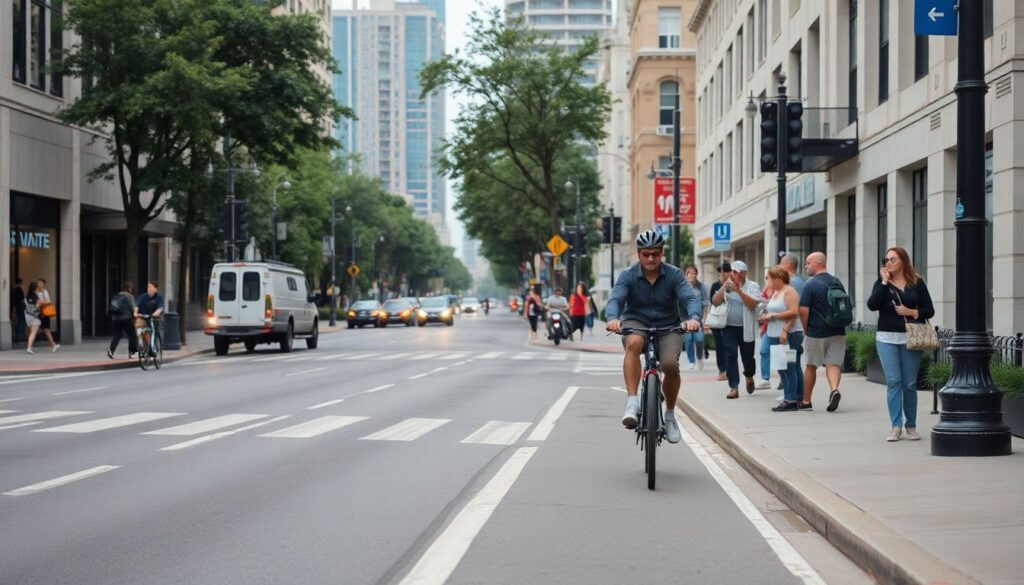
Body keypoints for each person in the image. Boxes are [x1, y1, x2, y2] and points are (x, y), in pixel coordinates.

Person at [605, 228, 702, 444]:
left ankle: (669, 415)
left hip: (668, 326)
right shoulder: (628, 276)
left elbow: (690, 298)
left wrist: (695, 317)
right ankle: (632, 402)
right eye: (646, 254)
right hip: (636, 322)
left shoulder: (674, 275)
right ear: (638, 254)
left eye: (655, 254)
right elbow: (616, 300)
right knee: (635, 343)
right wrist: (613, 317)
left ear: (662, 253)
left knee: (669, 364)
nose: (651, 258)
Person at [867, 247, 935, 442]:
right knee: (894, 382)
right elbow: (872, 305)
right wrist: (883, 281)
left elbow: (929, 310)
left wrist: (911, 312)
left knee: (910, 384)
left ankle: (911, 426)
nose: (888, 262)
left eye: (892, 259)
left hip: (911, 339)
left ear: (903, 261)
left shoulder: (917, 282)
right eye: (886, 259)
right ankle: (896, 426)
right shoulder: (882, 284)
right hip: (886, 339)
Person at [799, 252, 847, 412]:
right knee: (833, 364)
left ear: (817, 263)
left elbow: (803, 311)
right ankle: (834, 389)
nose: (806, 266)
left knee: (811, 366)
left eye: (808, 263)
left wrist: (806, 329)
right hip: (837, 330)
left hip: (816, 332)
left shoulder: (810, 285)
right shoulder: (837, 282)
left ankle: (806, 401)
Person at [710, 260, 761, 399]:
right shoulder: (726, 284)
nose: (734, 275)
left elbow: (752, 305)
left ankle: (749, 375)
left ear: (744, 273)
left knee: (748, 358)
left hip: (746, 328)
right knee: (731, 355)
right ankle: (734, 387)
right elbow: (715, 301)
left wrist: (738, 290)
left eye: (737, 272)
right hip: (729, 328)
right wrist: (723, 289)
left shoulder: (753, 286)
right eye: (733, 272)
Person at [760, 267, 805, 411]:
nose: (768, 281)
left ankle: (790, 400)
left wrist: (781, 325)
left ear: (778, 279)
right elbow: (774, 310)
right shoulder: (776, 292)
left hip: (789, 334)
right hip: (776, 334)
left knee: (789, 367)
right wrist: (765, 315)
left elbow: (793, 312)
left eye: (769, 278)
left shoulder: (789, 291)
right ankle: (794, 397)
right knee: (782, 367)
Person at [682, 265, 710, 370]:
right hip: (686, 318)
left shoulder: (701, 287)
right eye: (689, 273)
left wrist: (705, 319)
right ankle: (691, 361)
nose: (691, 275)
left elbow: (706, 303)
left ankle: (699, 357)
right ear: (686, 275)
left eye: (693, 273)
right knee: (688, 340)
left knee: (699, 339)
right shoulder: (683, 287)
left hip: (699, 318)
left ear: (696, 274)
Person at [709, 263, 731, 381]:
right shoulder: (715, 285)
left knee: (729, 346)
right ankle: (722, 370)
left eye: (727, 271)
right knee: (719, 346)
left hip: (730, 320)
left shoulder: (733, 285)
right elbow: (713, 301)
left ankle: (730, 369)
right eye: (723, 271)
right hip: (717, 319)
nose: (724, 274)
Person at [24, 281, 58, 354]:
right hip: (35, 317)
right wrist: (46, 299)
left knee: (31, 332)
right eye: (38, 287)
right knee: (33, 333)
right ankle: (29, 348)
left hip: (28, 317)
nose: (39, 288)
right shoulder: (35, 296)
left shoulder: (27, 296)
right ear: (35, 288)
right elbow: (46, 302)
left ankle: (30, 347)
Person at [108, 281, 138, 359]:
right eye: (131, 288)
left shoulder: (117, 295)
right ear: (129, 288)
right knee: (132, 335)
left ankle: (111, 350)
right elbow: (133, 308)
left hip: (115, 319)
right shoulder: (129, 296)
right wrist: (135, 315)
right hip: (126, 319)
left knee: (117, 335)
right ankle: (132, 352)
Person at [135, 280, 165, 352]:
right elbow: (137, 305)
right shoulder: (143, 296)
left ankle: (153, 347)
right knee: (138, 326)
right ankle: (140, 342)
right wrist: (135, 312)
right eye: (148, 287)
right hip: (143, 316)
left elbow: (160, 308)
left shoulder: (159, 297)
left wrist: (156, 313)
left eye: (150, 287)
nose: (148, 289)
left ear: (155, 289)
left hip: (153, 318)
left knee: (153, 331)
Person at [757, 271, 775, 389]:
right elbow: (762, 308)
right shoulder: (764, 292)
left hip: (779, 326)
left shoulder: (780, 291)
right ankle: (765, 379)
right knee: (763, 351)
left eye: (768, 278)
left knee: (780, 355)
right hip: (767, 326)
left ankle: (785, 382)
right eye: (766, 278)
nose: (766, 280)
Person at [35, 279, 59, 352]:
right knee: (36, 329)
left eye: (40, 283)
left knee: (45, 329)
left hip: (44, 313)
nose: (39, 284)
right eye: (38, 283)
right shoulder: (35, 292)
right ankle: (53, 345)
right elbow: (35, 303)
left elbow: (48, 301)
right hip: (38, 313)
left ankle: (53, 345)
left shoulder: (44, 292)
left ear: (43, 284)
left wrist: (40, 302)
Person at [10, 278, 25, 343]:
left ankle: (16, 334)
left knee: (18, 321)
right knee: (21, 321)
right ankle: (18, 335)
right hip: (20, 308)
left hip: (15, 307)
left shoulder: (13, 290)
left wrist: (13, 308)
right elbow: (22, 299)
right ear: (20, 283)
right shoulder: (19, 290)